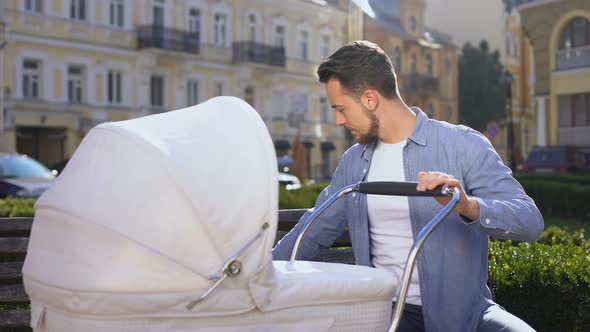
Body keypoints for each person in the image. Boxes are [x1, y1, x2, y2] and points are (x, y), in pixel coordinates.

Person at [272, 40, 544, 332]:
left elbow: (530, 221)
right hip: (388, 316)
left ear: (369, 99)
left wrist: (468, 206)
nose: (339, 120)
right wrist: (252, 276)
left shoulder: (464, 145)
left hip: (467, 314)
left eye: (341, 108)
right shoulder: (353, 163)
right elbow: (311, 232)